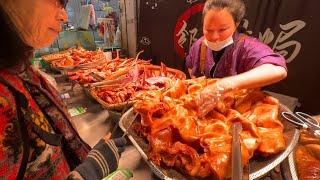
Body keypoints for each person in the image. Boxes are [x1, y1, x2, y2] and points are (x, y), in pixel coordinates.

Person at [0, 0, 126, 179]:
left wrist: (85, 164)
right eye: (56, 2)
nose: (64, 16)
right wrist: (89, 172)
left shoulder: (19, 68)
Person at [185, 0, 287, 117]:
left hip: (238, 116)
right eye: (208, 30)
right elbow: (191, 67)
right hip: (205, 114)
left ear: (236, 23)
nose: (214, 37)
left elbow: (278, 70)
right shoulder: (199, 45)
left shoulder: (247, 47)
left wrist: (225, 85)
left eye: (222, 30)